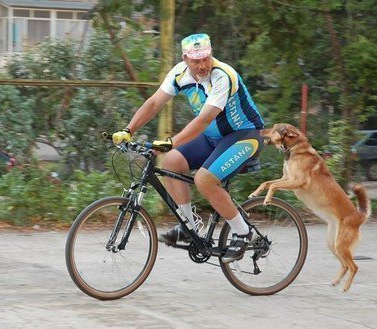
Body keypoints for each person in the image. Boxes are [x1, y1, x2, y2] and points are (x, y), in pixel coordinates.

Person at [112, 33, 264, 263]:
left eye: (206, 58)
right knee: (171, 161)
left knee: (205, 180)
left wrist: (172, 141)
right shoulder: (179, 74)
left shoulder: (223, 75)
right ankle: (188, 226)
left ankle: (244, 232)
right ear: (185, 59)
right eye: (196, 60)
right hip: (213, 137)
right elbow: (154, 103)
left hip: (244, 136)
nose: (203, 65)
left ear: (211, 53)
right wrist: (128, 130)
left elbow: (203, 120)